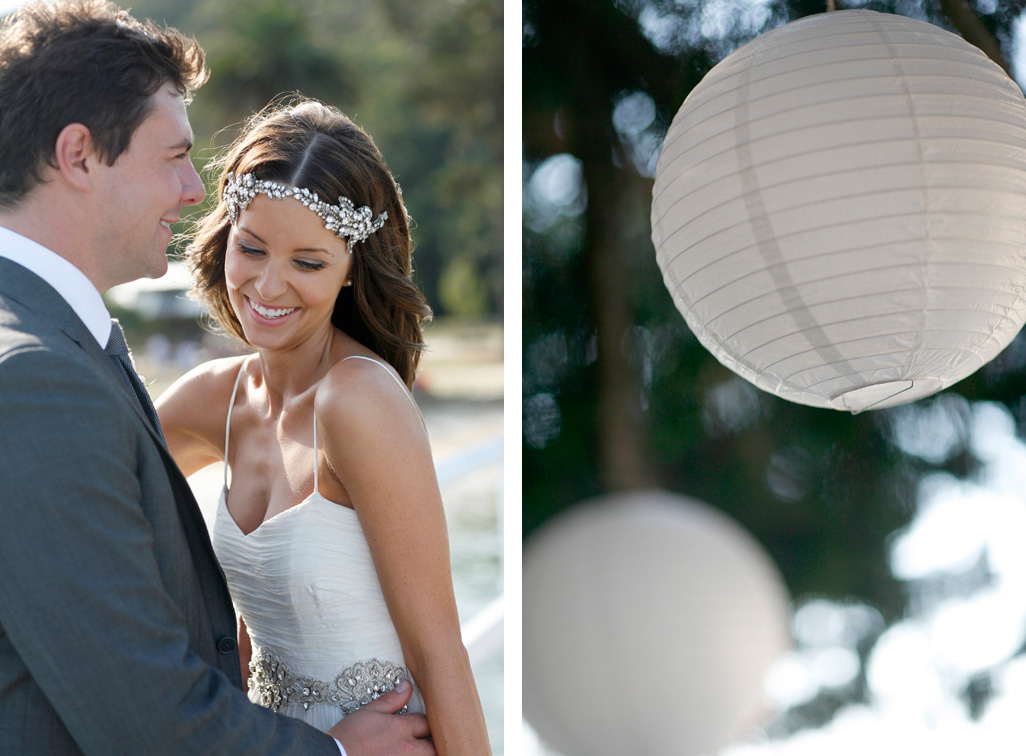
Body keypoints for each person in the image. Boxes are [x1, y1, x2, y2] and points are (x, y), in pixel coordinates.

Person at [0, 2, 433, 754]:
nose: (195, 193)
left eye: (307, 261)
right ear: (78, 156)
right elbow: (145, 716)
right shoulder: (38, 378)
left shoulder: (54, 345)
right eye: (173, 157)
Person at [155, 96, 491, 755]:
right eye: (252, 248)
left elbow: (439, 651)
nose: (269, 285)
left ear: (348, 273)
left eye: (308, 263)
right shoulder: (210, 401)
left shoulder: (359, 401)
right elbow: (91, 485)